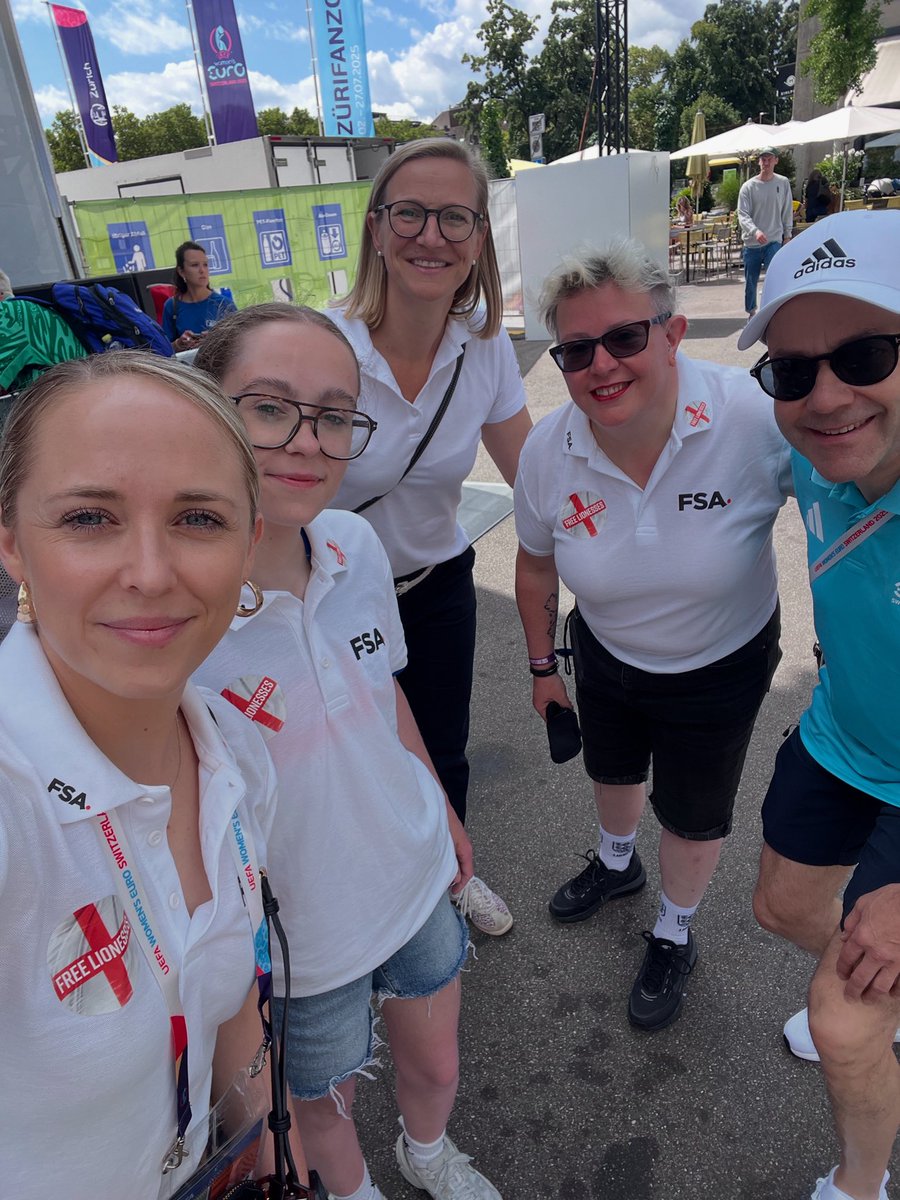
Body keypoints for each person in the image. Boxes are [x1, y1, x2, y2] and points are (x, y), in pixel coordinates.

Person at [194, 304, 503, 1200]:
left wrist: (441, 805)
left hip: (412, 878)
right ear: (205, 407)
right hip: (300, 938)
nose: (307, 440)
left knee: (437, 1068)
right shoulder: (177, 613)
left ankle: (428, 1151)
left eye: (334, 414)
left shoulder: (355, 544)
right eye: (268, 406)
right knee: (319, 1112)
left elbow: (381, 690)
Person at [0, 352, 312, 1198]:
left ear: (251, 543)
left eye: (198, 520)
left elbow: (229, 998)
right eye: (90, 518)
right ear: (10, 542)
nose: (148, 571)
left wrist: (276, 1149)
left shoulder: (235, 754)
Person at [514, 239, 790, 1030]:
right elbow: (534, 569)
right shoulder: (547, 450)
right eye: (574, 350)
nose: (601, 365)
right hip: (605, 651)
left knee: (694, 811)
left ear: (673, 334)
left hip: (721, 660)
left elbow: (845, 500)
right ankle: (614, 864)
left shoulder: (751, 418)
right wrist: (543, 668)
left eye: (625, 338)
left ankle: (674, 930)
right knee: (611, 768)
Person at [327, 138, 533, 935]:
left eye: (456, 217)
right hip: (328, 598)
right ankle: (360, 913)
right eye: (409, 212)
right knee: (341, 761)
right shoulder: (322, 346)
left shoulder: (483, 350)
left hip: (434, 586)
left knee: (443, 752)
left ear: (479, 239)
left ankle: (452, 878)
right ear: (377, 228)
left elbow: (535, 478)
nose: (431, 235)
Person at [740, 211, 900, 1200]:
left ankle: (859, 1184)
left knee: (841, 1019)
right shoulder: (814, 444)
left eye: (867, 353)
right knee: (783, 905)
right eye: (793, 373)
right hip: (850, 730)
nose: (826, 396)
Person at [737, 147, 794, 319]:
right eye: (763, 159)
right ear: (759, 162)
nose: (766, 163)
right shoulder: (748, 187)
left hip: (774, 239)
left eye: (769, 159)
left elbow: (787, 209)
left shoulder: (783, 183)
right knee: (751, 281)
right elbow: (742, 214)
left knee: (775, 276)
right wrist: (755, 231)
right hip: (752, 242)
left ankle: (773, 310)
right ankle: (752, 312)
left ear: (776, 161)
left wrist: (787, 234)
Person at [162, 240, 237, 353]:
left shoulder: (224, 304)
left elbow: (239, 342)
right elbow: (164, 349)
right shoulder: (172, 306)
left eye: (205, 264)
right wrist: (179, 344)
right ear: (181, 271)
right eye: (195, 265)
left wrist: (214, 340)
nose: (202, 270)